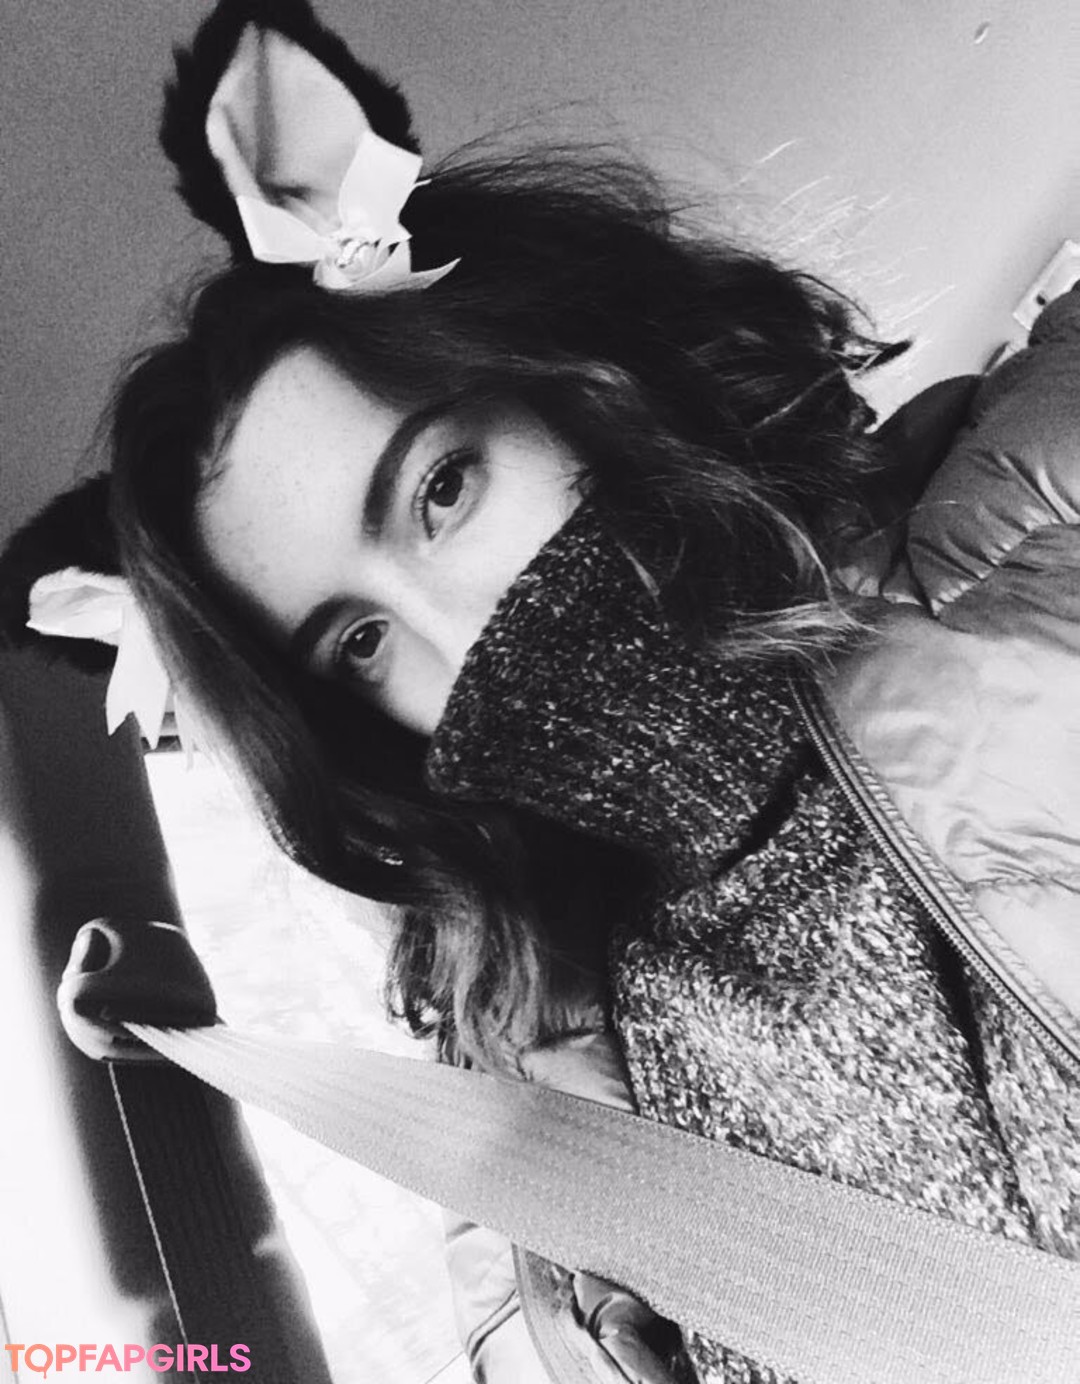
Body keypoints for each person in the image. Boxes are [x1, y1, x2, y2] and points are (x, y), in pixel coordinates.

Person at [3, 2, 1079, 1381]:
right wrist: (197, 1048)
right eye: (357, 644)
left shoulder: (1032, 537)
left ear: (582, 381)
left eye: (444, 489)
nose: (461, 645)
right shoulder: (521, 1037)